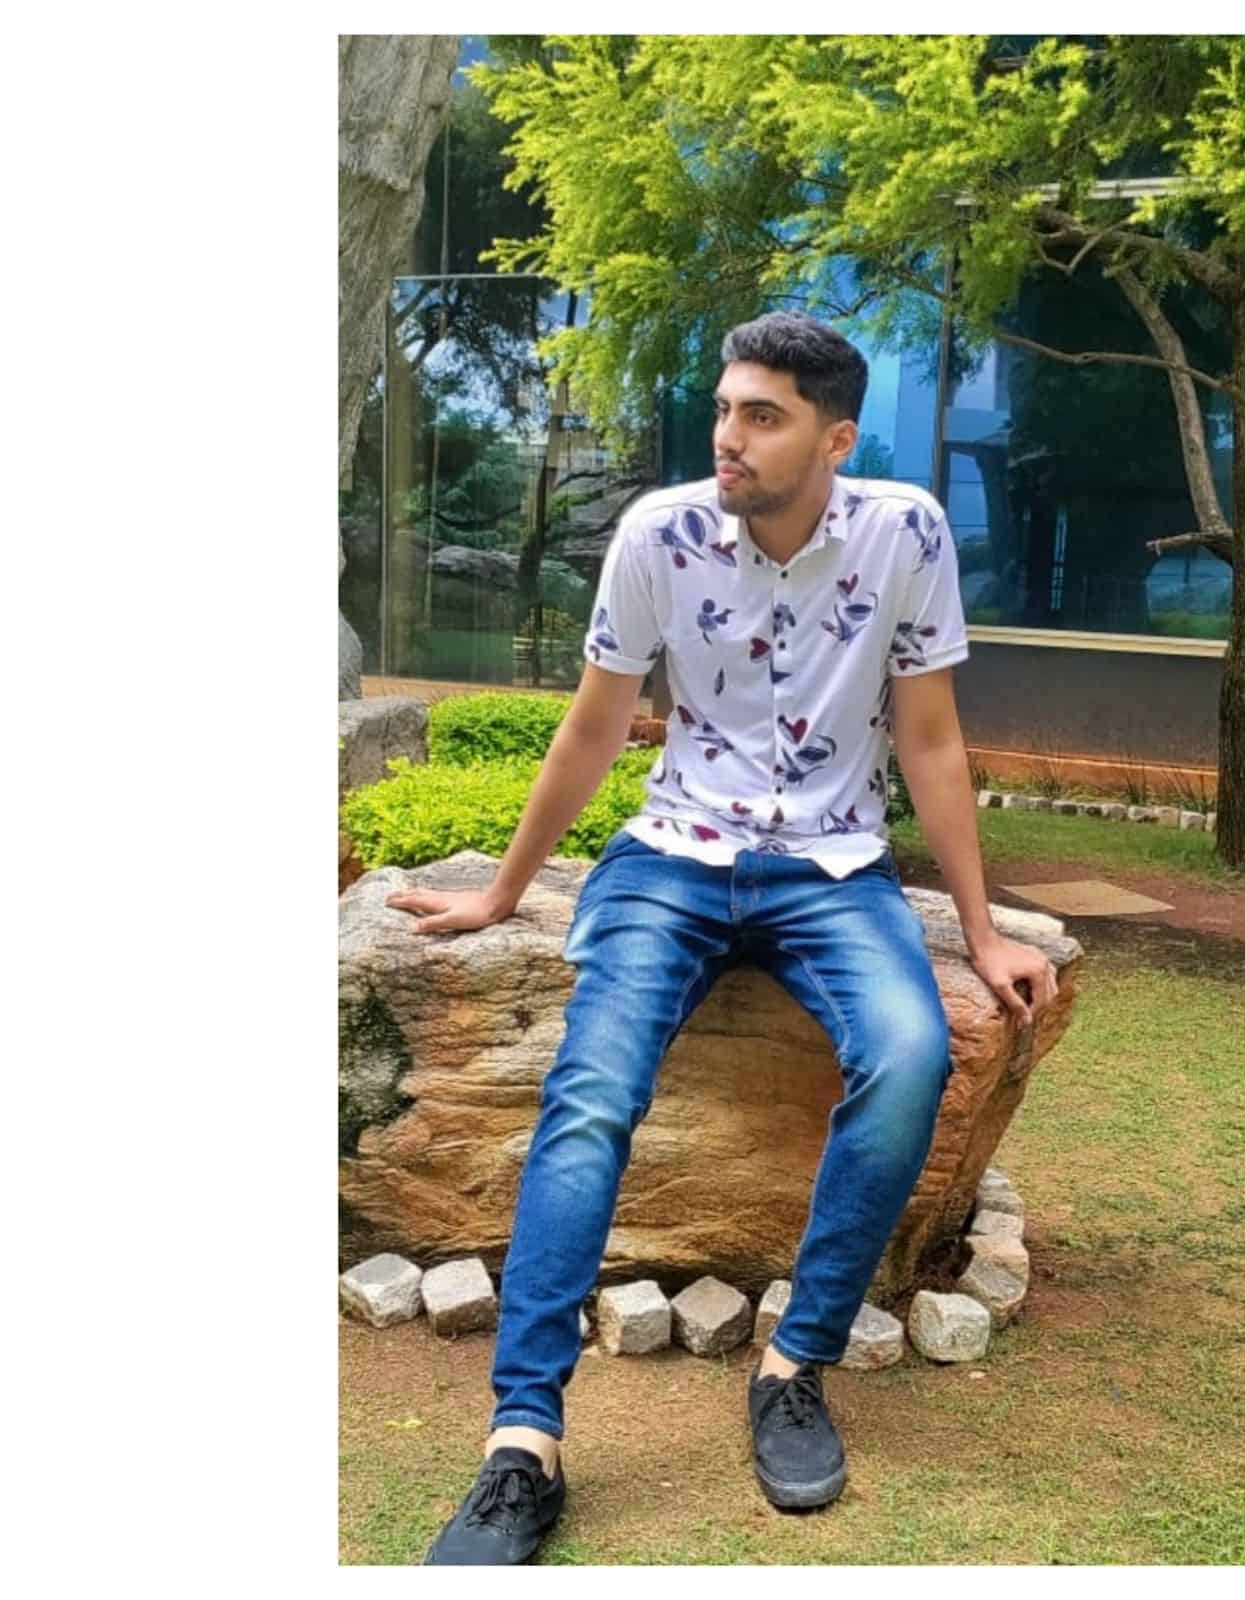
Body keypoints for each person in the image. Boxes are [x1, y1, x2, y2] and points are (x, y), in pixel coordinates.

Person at [385, 311, 1057, 1565]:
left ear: (835, 439)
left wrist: (979, 929)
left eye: (762, 416)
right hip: (672, 861)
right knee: (591, 1092)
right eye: (723, 409)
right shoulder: (661, 533)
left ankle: (793, 1364)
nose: (727, 438)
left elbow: (928, 737)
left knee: (910, 1053)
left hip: (834, 869)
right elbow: (594, 727)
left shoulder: (906, 532)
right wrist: (502, 892)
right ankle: (523, 1440)